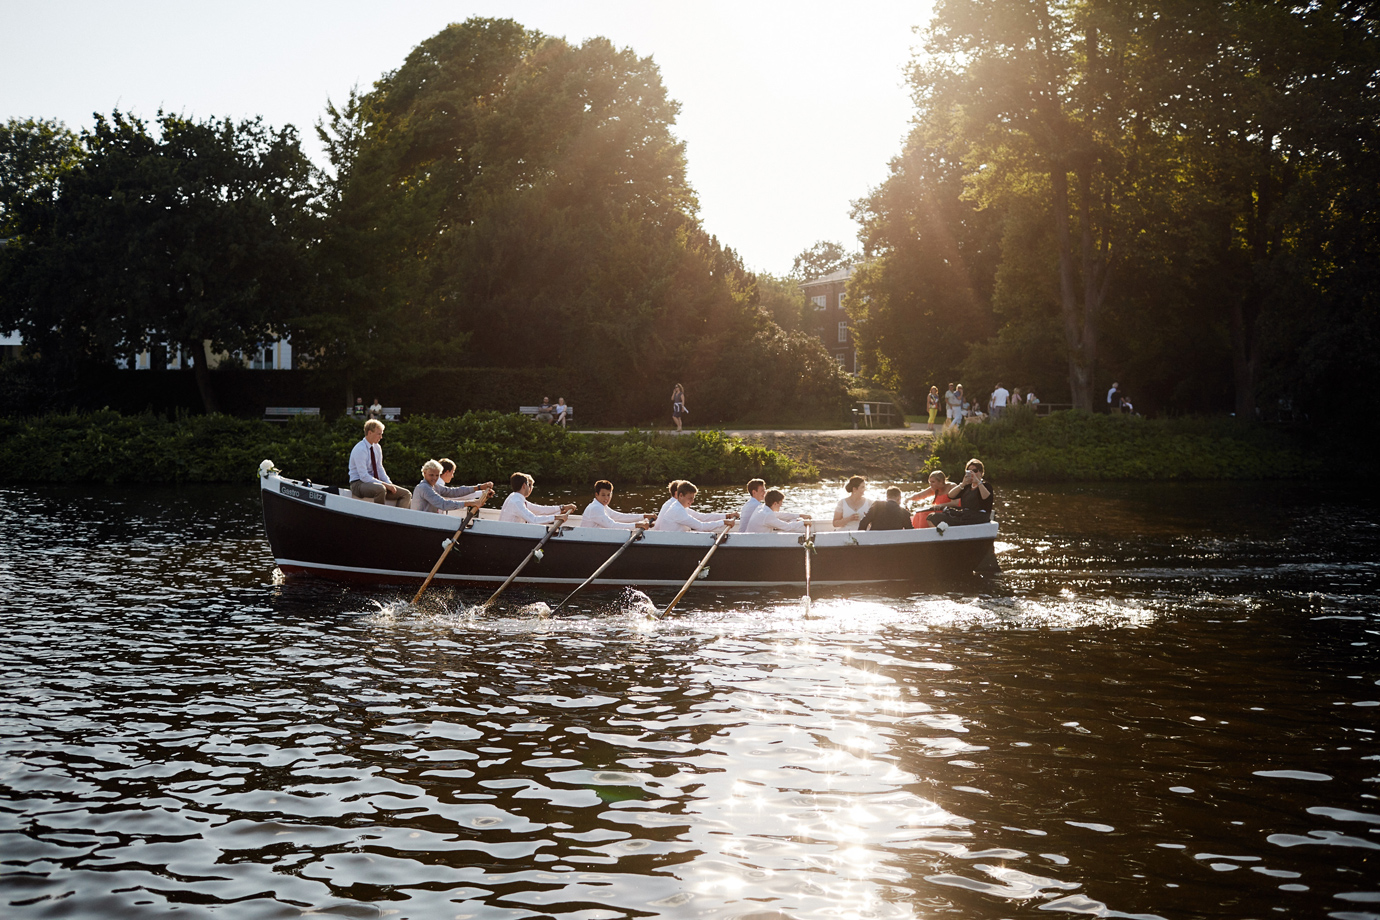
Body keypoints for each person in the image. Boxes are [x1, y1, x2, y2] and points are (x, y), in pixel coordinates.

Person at [348, 419, 412, 508]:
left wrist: (389, 484)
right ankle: (380, 516)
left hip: (374, 483)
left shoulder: (377, 447)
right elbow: (364, 476)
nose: (381, 437)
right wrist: (385, 485)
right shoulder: (360, 449)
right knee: (380, 489)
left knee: (406, 494)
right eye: (379, 434)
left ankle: (398, 518)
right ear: (370, 433)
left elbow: (379, 468)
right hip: (358, 484)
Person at [930, 458, 994, 528]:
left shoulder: (986, 486)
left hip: (978, 517)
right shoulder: (967, 486)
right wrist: (963, 484)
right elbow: (950, 495)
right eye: (969, 471)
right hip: (965, 515)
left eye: (975, 471)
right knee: (932, 517)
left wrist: (978, 482)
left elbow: (985, 497)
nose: (972, 474)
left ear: (981, 473)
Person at [652, 480, 735, 532]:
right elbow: (701, 526)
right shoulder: (677, 510)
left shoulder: (679, 506)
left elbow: (701, 517)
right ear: (680, 495)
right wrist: (723, 522)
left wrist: (726, 516)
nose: (692, 501)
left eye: (693, 498)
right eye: (690, 498)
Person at [414, 460, 489, 515]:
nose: (434, 478)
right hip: (421, 523)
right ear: (424, 473)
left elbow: (454, 492)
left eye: (437, 475)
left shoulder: (436, 486)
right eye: (431, 475)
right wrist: (470, 503)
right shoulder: (424, 487)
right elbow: (443, 504)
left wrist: (479, 487)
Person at [500, 472, 574, 525]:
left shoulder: (514, 497)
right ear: (524, 486)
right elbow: (534, 520)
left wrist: (562, 508)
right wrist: (556, 517)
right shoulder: (516, 502)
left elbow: (539, 509)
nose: (531, 489)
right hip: (510, 536)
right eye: (530, 485)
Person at [581, 480, 651, 530]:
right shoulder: (595, 508)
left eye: (608, 495)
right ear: (597, 495)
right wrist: (637, 525)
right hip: (588, 540)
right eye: (603, 495)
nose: (606, 498)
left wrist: (644, 516)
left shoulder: (602, 506)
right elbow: (612, 525)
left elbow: (620, 516)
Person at [745, 489, 809, 533]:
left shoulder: (762, 508)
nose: (780, 506)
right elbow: (787, 527)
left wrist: (800, 515)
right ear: (775, 503)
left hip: (752, 538)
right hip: (755, 543)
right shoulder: (768, 515)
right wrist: (803, 523)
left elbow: (779, 515)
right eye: (780, 504)